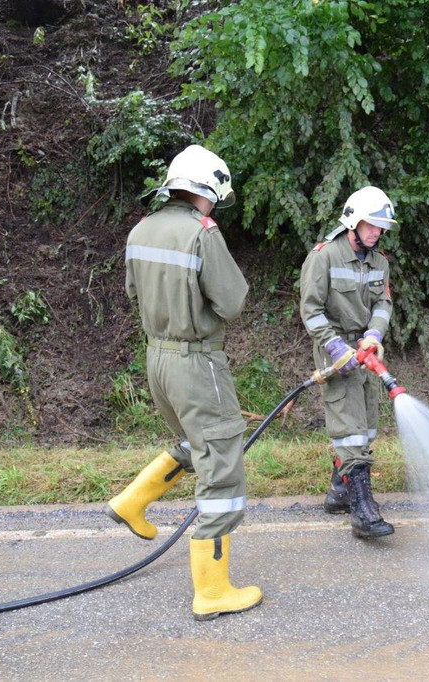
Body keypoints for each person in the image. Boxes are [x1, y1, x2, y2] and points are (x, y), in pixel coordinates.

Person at [105, 144, 261, 620]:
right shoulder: (201, 233)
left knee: (195, 444)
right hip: (196, 363)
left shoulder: (141, 228)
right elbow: (232, 301)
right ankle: (212, 592)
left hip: (157, 359)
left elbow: (133, 291)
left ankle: (132, 501)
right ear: (208, 189)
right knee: (222, 465)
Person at [299, 185, 397, 539]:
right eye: (371, 225)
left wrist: (374, 335)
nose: (377, 232)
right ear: (353, 221)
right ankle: (363, 514)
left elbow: (383, 304)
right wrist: (336, 347)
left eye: (381, 227)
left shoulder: (379, 261)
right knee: (349, 427)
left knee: (365, 426)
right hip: (334, 345)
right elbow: (311, 310)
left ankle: (339, 492)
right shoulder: (324, 256)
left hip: (365, 348)